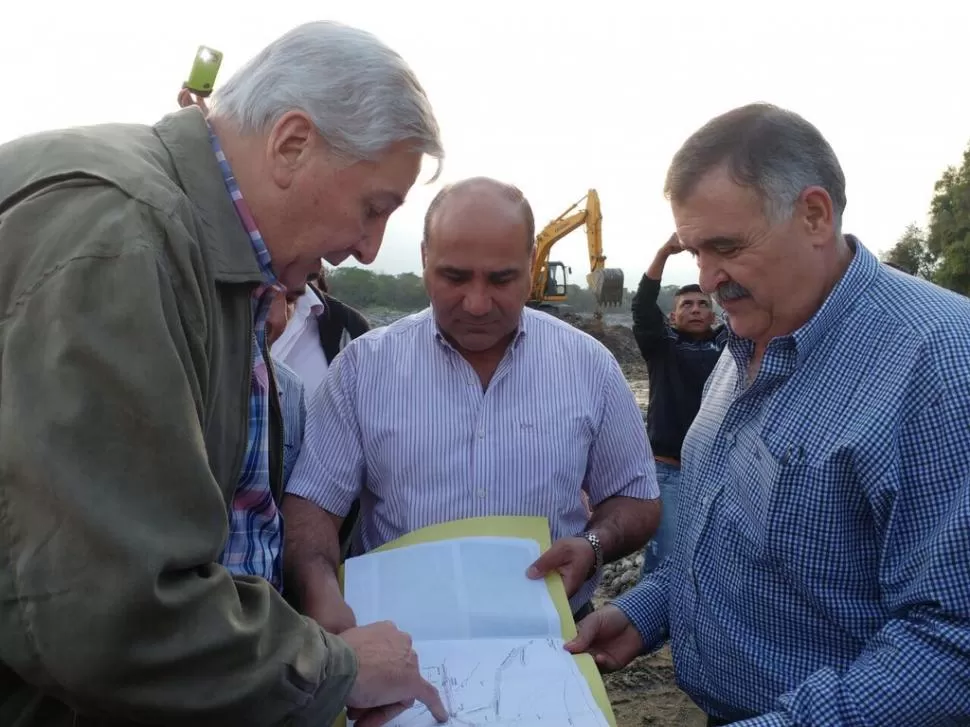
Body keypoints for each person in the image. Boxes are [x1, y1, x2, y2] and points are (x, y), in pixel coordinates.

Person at [0, 21, 448, 727]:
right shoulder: (123, 238)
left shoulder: (202, 258)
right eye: (374, 207)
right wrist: (336, 669)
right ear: (292, 143)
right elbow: (110, 614)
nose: (368, 249)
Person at [566, 103, 970, 726]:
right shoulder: (747, 336)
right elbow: (723, 538)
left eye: (726, 247)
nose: (708, 278)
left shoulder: (938, 362)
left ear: (814, 214)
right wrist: (643, 611)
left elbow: (951, 646)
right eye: (696, 252)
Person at [281, 176, 661, 634]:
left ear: (530, 264)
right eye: (454, 277)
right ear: (424, 260)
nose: (477, 304)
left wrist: (594, 544)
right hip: (395, 635)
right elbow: (313, 508)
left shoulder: (589, 365)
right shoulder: (362, 369)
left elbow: (636, 498)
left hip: (548, 633)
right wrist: (321, 594)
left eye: (501, 279)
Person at [632, 234, 727, 575]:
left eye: (703, 304)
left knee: (718, 557)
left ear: (715, 314)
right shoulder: (661, 349)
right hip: (669, 470)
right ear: (672, 317)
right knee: (666, 559)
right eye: (687, 305)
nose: (696, 309)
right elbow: (642, 309)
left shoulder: (731, 347)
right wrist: (663, 253)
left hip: (720, 470)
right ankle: (655, 626)